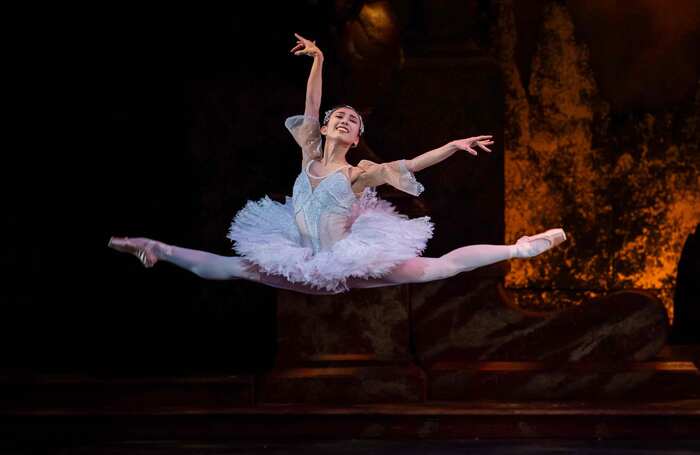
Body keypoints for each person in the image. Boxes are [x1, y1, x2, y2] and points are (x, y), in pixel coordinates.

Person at [108, 33, 566, 295]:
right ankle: (158, 248)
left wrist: (450, 145)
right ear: (326, 129)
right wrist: (320, 59)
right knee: (233, 267)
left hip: (348, 264)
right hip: (302, 259)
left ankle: (518, 249)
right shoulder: (308, 152)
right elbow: (312, 104)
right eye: (339, 118)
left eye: (354, 121)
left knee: (439, 266)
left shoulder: (357, 172)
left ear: (357, 136)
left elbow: (411, 163)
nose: (345, 121)